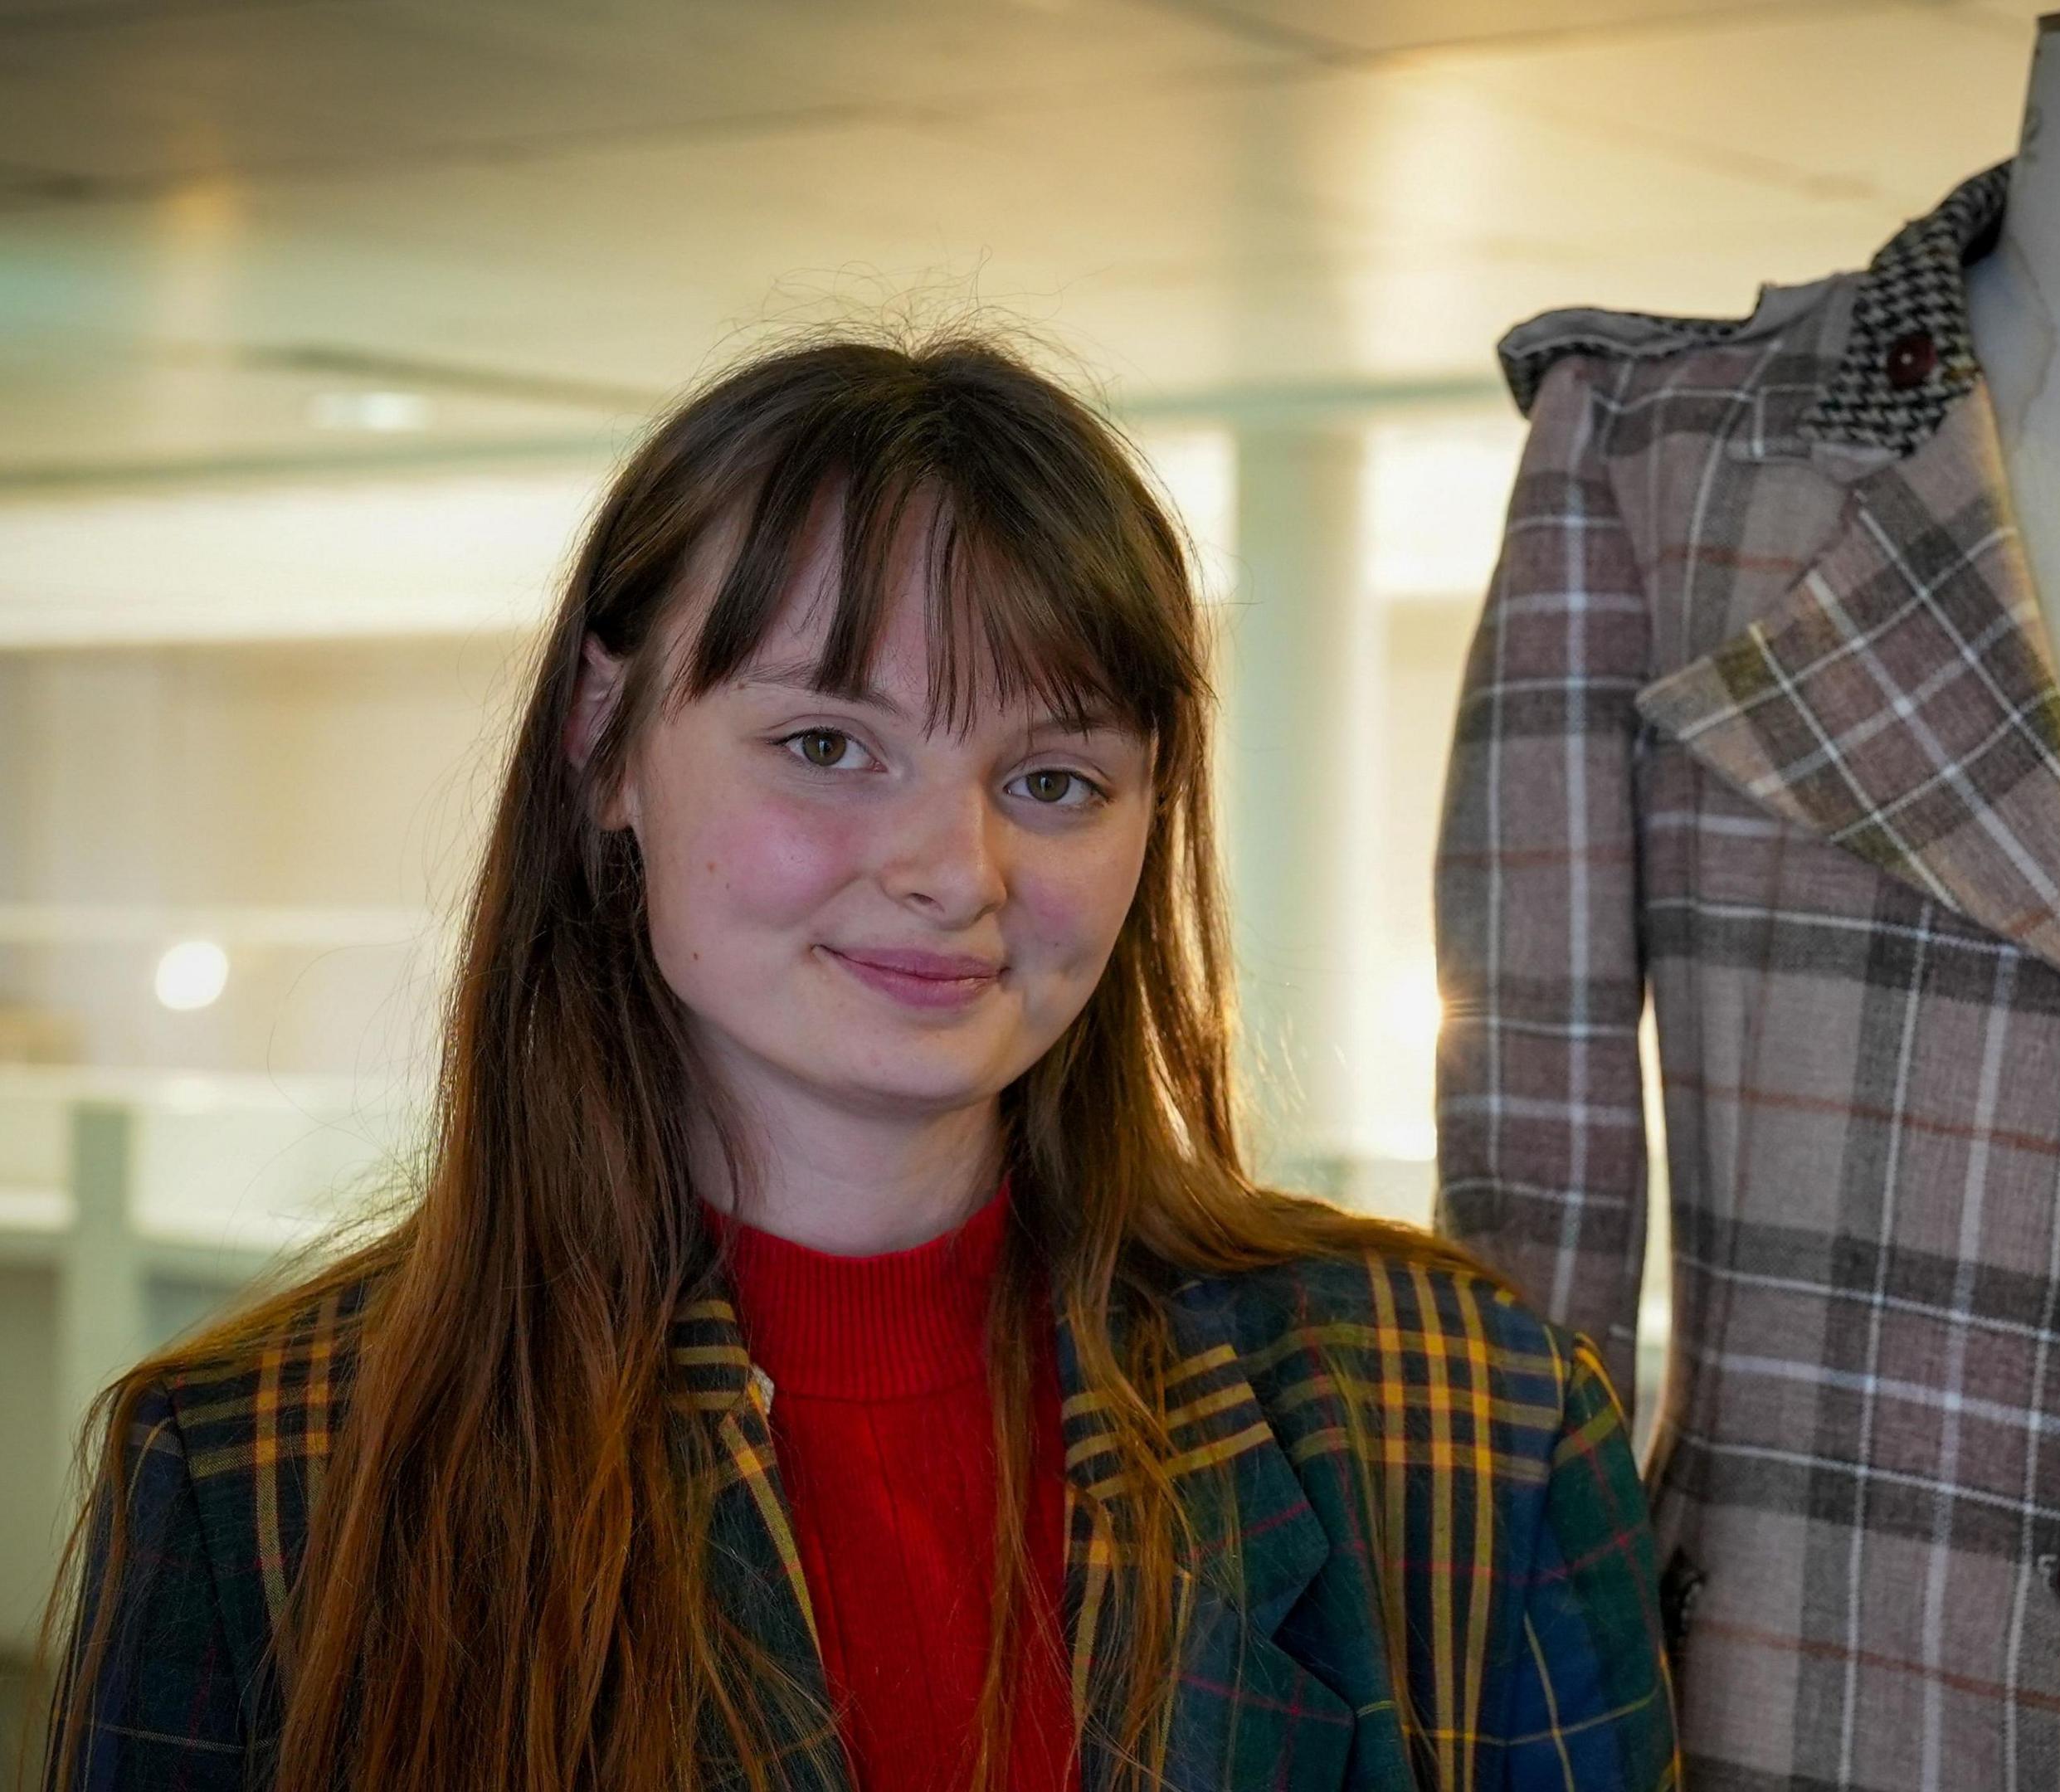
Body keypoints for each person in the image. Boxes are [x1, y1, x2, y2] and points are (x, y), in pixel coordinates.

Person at [39, 334, 1678, 1792]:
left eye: (1052, 780)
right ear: (603, 746)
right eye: (828, 746)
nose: (953, 867)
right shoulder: (260, 1466)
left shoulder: (1465, 1407)